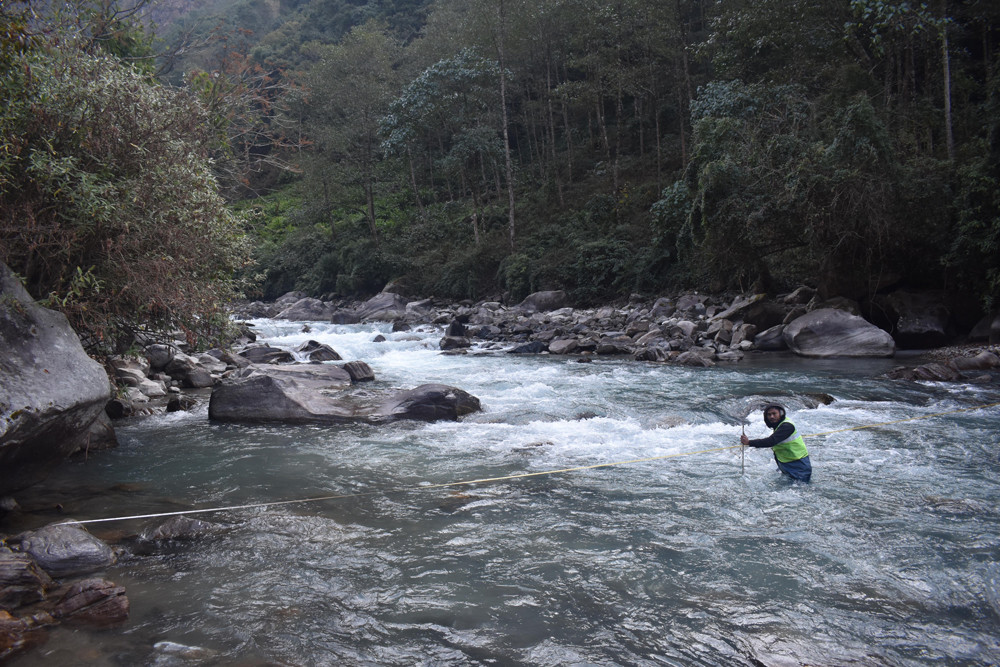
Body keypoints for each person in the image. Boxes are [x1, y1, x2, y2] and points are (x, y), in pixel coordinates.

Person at [740, 404, 811, 483]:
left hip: (798, 464)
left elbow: (771, 441)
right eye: (769, 414)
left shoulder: (787, 426)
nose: (772, 417)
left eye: (774, 414)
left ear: (781, 413)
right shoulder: (779, 425)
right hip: (785, 462)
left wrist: (749, 442)